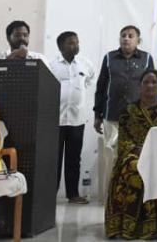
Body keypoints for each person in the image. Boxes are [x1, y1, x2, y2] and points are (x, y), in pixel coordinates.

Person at [105, 69, 157, 239]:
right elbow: (124, 142)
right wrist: (140, 151)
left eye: (154, 82)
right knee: (133, 168)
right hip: (135, 154)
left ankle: (155, 224)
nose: (150, 85)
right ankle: (128, 225)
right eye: (146, 82)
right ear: (140, 86)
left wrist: (155, 152)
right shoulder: (129, 111)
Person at [93, 25, 155, 202]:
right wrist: (97, 115)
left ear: (138, 40)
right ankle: (112, 197)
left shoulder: (146, 59)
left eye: (130, 36)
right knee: (113, 157)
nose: (126, 38)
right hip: (112, 116)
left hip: (138, 117)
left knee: (137, 157)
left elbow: (152, 87)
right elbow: (101, 87)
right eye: (123, 35)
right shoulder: (109, 58)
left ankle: (135, 198)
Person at [50, 31, 95, 204]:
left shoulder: (85, 64)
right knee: (54, 159)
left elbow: (89, 81)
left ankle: (73, 194)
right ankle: (50, 195)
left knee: (74, 159)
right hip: (56, 120)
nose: (75, 46)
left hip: (77, 120)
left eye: (76, 42)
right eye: (70, 43)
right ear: (60, 46)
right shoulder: (51, 65)